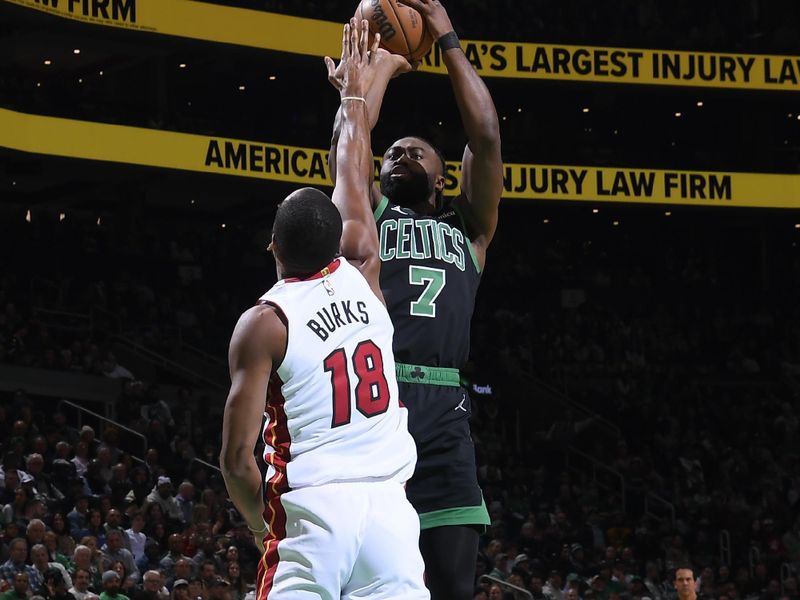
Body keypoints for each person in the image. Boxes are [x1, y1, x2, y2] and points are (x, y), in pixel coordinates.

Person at [220, 18, 428, 600]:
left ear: (273, 248)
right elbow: (351, 167)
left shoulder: (266, 322)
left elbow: (238, 461)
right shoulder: (364, 268)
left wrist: (267, 529)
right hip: (390, 508)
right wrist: (356, 96)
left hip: (316, 513)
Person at [326, 1, 503, 597]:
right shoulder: (371, 216)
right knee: (368, 577)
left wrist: (447, 37)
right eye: (393, 152)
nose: (399, 156)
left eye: (415, 151)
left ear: (443, 175)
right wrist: (371, 76)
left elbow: (486, 133)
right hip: (378, 396)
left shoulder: (470, 227)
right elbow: (350, 146)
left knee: (453, 581)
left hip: (445, 407)